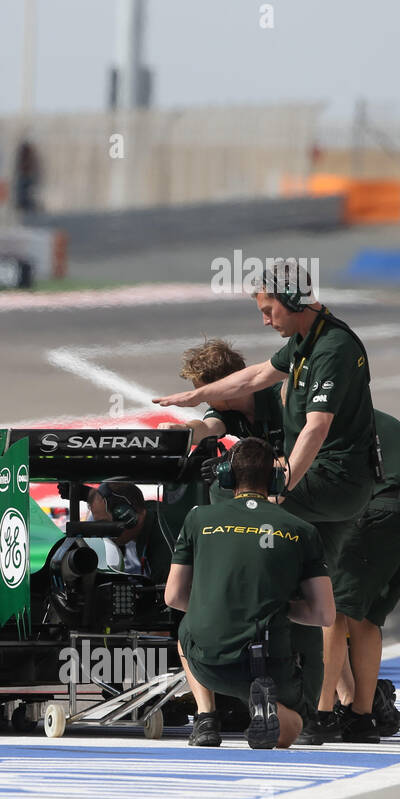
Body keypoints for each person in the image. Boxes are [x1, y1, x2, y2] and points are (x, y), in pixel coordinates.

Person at [153, 261, 378, 743]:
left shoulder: (332, 348)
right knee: (311, 599)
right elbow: (250, 378)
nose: (264, 319)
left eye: (268, 309)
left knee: (223, 504)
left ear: (292, 302)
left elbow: (316, 427)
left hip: (333, 478)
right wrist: (195, 401)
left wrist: (280, 485)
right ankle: (322, 708)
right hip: (321, 483)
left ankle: (222, 601)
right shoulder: (305, 342)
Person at [165, 438, 335, 749]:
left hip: (210, 662)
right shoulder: (302, 530)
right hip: (271, 660)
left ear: (227, 476)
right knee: (294, 725)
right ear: (276, 479)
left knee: (186, 630)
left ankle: (206, 718)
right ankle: (276, 709)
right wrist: (277, 608)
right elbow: (324, 614)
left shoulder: (198, 519)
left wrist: (216, 606)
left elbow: (173, 596)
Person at [322, 411, 400, 741]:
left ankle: (321, 714)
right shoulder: (359, 412)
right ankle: (358, 712)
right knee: (364, 616)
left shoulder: (314, 418)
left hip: (389, 505)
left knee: (328, 605)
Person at [86, 482, 172, 585]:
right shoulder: (152, 516)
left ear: (126, 515)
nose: (103, 532)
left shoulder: (162, 547)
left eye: (105, 523)